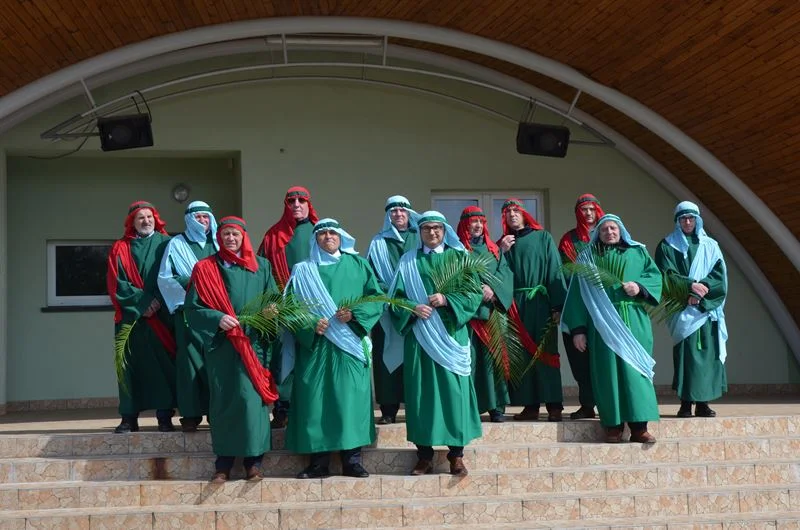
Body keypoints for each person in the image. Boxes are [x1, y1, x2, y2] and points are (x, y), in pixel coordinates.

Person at [284, 219, 384, 479]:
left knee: (350, 401)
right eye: (322, 233)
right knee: (315, 401)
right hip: (316, 346)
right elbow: (290, 309)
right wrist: (308, 324)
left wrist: (355, 314)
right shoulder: (303, 270)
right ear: (315, 239)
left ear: (341, 237)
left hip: (349, 344)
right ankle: (318, 462)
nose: (328, 236)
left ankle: (352, 460)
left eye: (333, 233)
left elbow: (375, 298)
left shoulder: (359, 264)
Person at [184, 216, 280, 483]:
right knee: (225, 401)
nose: (230, 238)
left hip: (252, 344)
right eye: (225, 234)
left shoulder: (261, 267)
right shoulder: (205, 268)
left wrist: (271, 312)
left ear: (243, 237)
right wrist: (217, 319)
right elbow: (192, 310)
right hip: (223, 347)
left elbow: (273, 300)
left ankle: (254, 463)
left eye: (235, 234)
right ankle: (223, 465)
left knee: (251, 402)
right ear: (219, 237)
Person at [390, 211, 483, 476]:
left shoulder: (459, 258)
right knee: (422, 395)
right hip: (420, 337)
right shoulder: (408, 261)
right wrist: (412, 307)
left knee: (455, 394)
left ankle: (457, 455)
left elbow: (473, 293)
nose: (432, 233)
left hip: (451, 336)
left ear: (445, 231)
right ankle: (424, 456)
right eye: (427, 228)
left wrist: (447, 300)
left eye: (437, 229)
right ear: (419, 232)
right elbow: (394, 299)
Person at [562, 214, 662, 443]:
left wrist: (640, 288)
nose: (609, 232)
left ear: (621, 230)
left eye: (613, 228)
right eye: (605, 229)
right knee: (607, 375)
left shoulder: (638, 252)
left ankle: (639, 428)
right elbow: (578, 296)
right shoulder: (588, 259)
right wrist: (578, 330)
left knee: (636, 373)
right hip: (602, 324)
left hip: (634, 321)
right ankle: (613, 427)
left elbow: (655, 277)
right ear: (598, 233)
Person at [106, 201, 176, 434]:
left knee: (163, 367)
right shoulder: (120, 248)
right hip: (132, 319)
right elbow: (116, 281)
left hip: (162, 316)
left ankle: (165, 417)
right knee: (129, 367)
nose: (146, 221)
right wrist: (143, 303)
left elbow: (173, 276)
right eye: (140, 218)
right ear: (132, 223)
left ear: (156, 219)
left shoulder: (168, 244)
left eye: (149, 217)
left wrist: (156, 302)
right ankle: (128, 418)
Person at [655, 201, 728, 418]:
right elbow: (665, 274)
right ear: (677, 221)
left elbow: (719, 276)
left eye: (691, 218)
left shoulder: (710, 246)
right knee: (686, 356)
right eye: (683, 218)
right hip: (682, 310)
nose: (687, 222)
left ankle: (703, 403)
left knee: (706, 356)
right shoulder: (667, 245)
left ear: (697, 220)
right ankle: (685, 403)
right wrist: (689, 288)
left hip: (705, 310)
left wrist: (699, 293)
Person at [498, 199, 567, 422]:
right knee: (522, 355)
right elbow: (499, 274)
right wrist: (502, 251)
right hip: (516, 305)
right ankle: (530, 405)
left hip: (540, 301)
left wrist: (557, 305)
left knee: (546, 352)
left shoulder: (543, 237)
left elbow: (554, 269)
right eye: (507, 212)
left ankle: (554, 405)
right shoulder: (504, 244)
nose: (512, 215)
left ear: (524, 214)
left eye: (515, 211)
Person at [257, 186, 320, 428]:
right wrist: (273, 303)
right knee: (284, 357)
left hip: (316, 305)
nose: (296, 204)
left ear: (308, 204)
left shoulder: (321, 232)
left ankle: (311, 406)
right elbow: (264, 270)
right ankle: (283, 408)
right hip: (284, 305)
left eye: (301, 200)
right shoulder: (273, 235)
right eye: (291, 200)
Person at [157, 201, 219, 432]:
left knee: (217, 363)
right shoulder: (177, 244)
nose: (202, 221)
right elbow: (166, 278)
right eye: (198, 217)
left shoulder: (220, 242)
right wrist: (198, 286)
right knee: (189, 364)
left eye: (206, 217)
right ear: (189, 219)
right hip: (188, 313)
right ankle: (191, 415)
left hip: (217, 314)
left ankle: (216, 411)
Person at [456, 206, 514, 423]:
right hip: (469, 316)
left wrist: (493, 290)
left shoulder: (495, 250)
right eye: (473, 222)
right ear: (464, 225)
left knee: (494, 360)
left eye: (481, 222)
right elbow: (454, 277)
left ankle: (496, 406)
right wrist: (477, 291)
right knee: (470, 361)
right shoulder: (457, 251)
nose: (478, 225)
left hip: (492, 313)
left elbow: (505, 273)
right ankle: (471, 406)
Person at [366, 195, 420, 424]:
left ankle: (416, 406)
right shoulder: (378, 242)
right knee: (386, 357)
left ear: (409, 213)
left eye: (402, 210)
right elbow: (371, 275)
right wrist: (389, 296)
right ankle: (388, 409)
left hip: (416, 309)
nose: (398, 214)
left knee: (414, 358)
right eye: (393, 211)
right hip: (387, 309)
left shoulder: (420, 238)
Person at [558, 194, 605, 420]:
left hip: (604, 306)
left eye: (591, 209)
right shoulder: (569, 240)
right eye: (583, 210)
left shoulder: (607, 235)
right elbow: (564, 272)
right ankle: (587, 404)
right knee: (580, 359)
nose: (587, 213)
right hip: (577, 304)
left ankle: (608, 402)